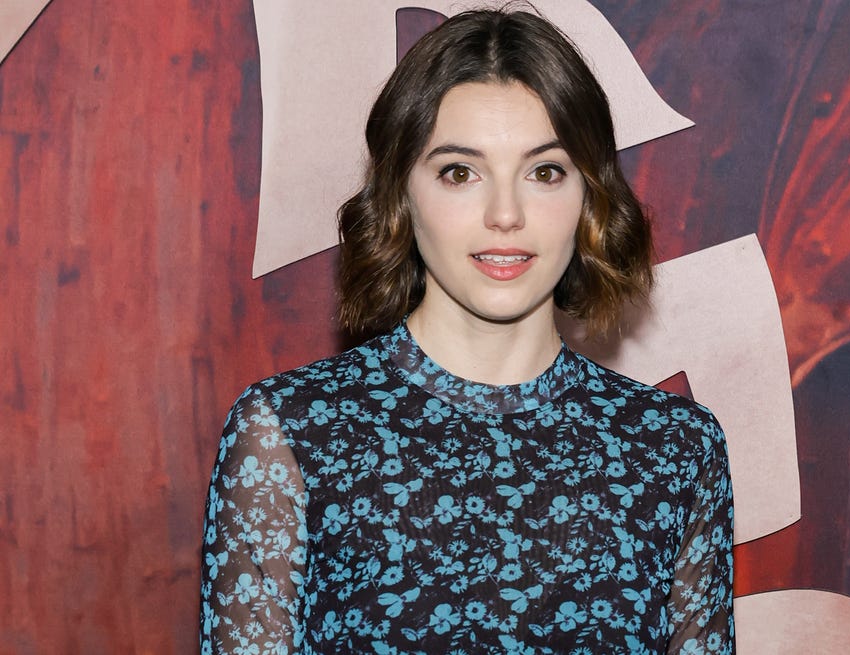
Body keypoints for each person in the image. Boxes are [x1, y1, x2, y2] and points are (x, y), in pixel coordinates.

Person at [200, 8, 734, 655]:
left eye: (545, 171)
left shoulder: (673, 451)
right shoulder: (292, 434)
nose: (505, 214)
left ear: (590, 198)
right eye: (460, 171)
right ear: (401, 191)